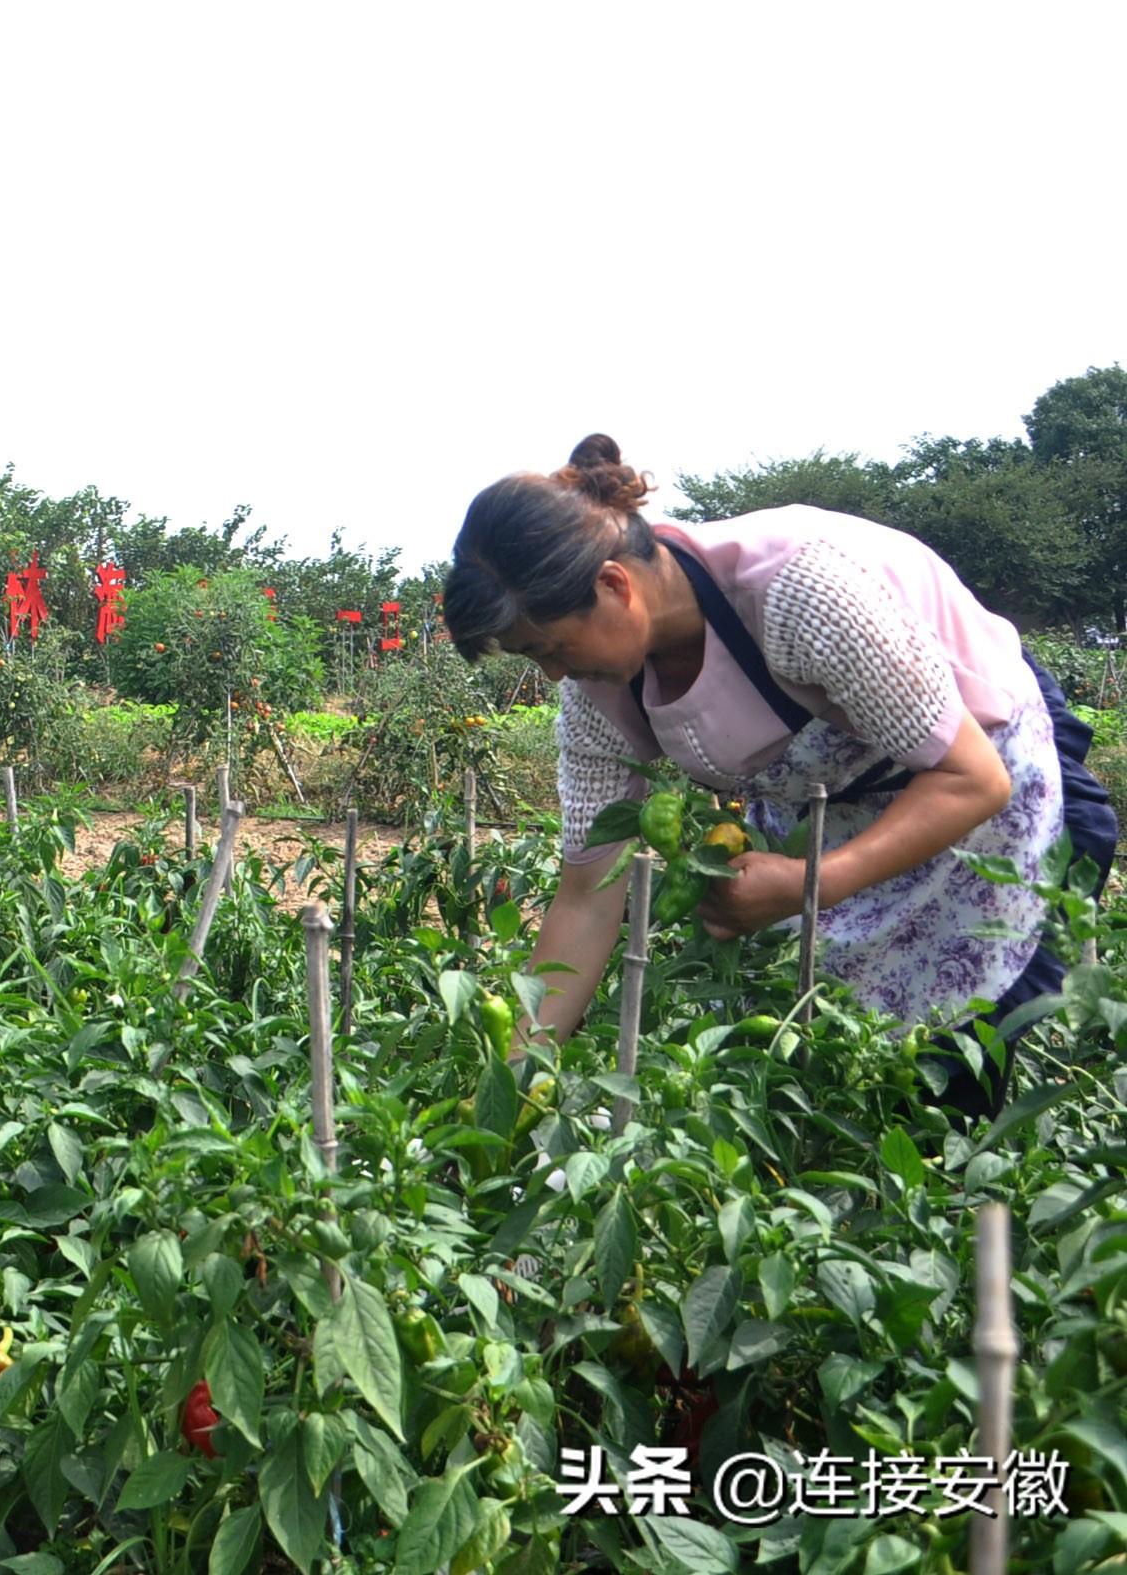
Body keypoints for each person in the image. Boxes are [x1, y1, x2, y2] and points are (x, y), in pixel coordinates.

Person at [444, 436, 1113, 1122]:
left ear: (614, 587)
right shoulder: (596, 699)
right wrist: (512, 1084)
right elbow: (588, 893)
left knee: (946, 1091)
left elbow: (975, 779)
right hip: (834, 825)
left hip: (982, 798)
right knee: (821, 1080)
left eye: (549, 648)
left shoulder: (798, 589)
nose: (553, 674)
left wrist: (805, 884)